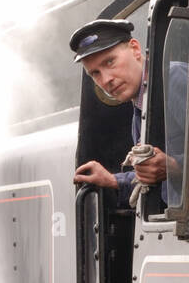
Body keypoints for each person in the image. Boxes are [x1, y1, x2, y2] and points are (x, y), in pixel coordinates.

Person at [69, 19, 182, 208]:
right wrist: (113, 180)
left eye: (110, 62)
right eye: (95, 73)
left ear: (135, 49)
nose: (106, 80)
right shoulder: (140, 107)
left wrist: (174, 168)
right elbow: (154, 178)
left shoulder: (173, 79)